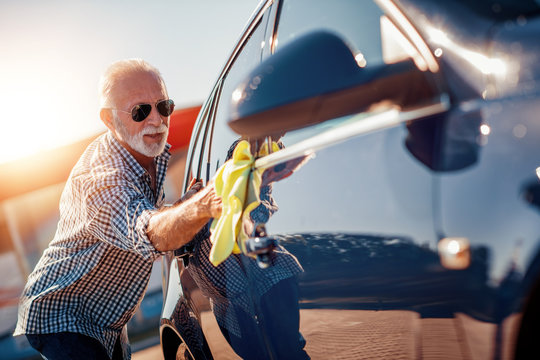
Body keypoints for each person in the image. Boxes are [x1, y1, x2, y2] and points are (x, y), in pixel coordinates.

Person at [13, 59, 222, 360]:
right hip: (61, 313)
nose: (157, 120)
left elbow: (150, 215)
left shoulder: (151, 155)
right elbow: (149, 232)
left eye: (164, 106)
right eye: (140, 111)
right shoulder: (99, 180)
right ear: (109, 120)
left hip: (106, 318)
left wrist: (184, 204)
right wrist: (203, 204)